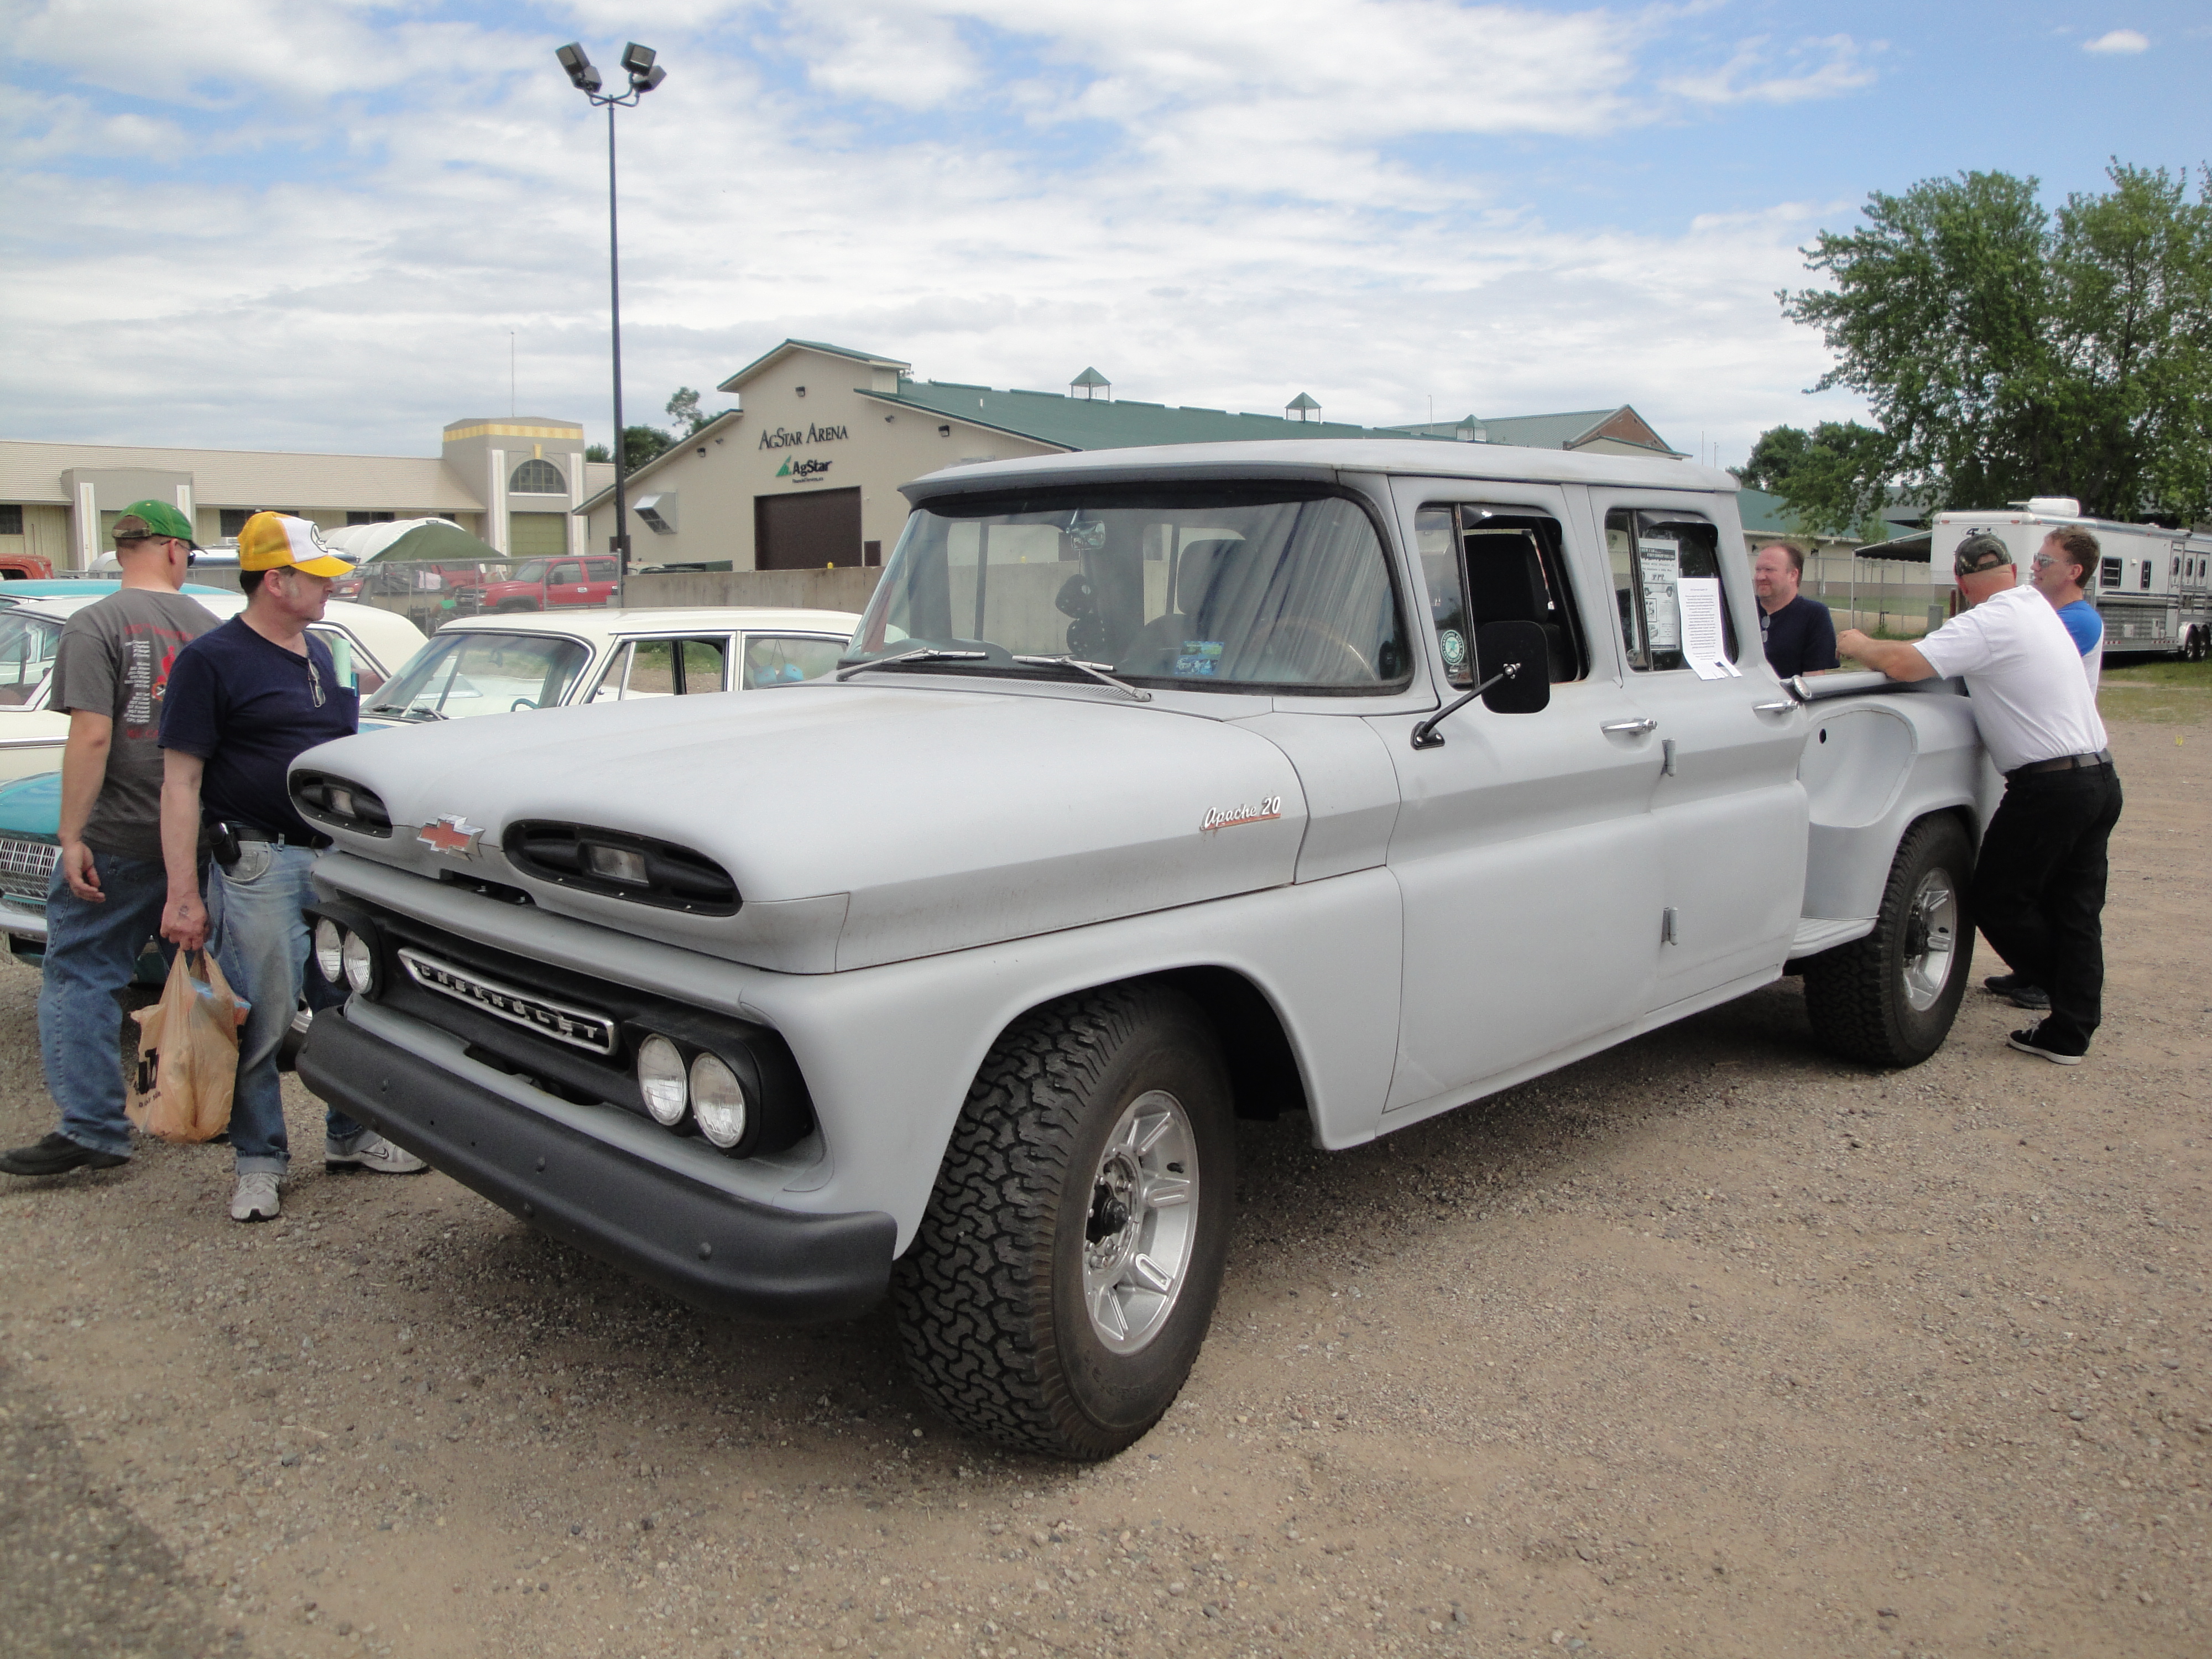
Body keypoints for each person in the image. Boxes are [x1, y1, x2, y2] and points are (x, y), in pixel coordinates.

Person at [158, 513, 424, 1222]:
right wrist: (184, 892)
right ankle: (259, 1161)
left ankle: (351, 1135)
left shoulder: (329, 653)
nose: (333, 590)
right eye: (319, 578)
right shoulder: (210, 662)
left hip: (335, 861)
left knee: (349, 1005)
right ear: (275, 581)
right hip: (257, 861)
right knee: (262, 1019)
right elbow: (181, 782)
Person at [1839, 533, 2121, 1065]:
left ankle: (2067, 994)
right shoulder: (2035, 607)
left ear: (1962, 582)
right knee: (2076, 908)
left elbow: (1905, 663)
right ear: (2013, 571)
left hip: (2051, 786)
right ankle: (2071, 1029)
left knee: (1997, 897)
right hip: (2099, 775)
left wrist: (1856, 644)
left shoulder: (1987, 621)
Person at [0, 503, 217, 1178]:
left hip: (121, 833)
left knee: (80, 975)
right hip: (203, 835)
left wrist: (71, 834)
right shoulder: (213, 632)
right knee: (221, 978)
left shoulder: (94, 624)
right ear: (177, 552)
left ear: (122, 552)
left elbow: (92, 734)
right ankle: (226, 1113)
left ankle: (94, 1128)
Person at [2031, 526, 2104, 691]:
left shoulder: (2080, 621)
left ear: (2073, 572)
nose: (2034, 567)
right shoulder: (2056, 615)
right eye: (2036, 558)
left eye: (2044, 561)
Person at [1751, 544, 1838, 677]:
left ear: (1793, 575)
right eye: (1758, 570)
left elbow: (1814, 679)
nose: (1760, 577)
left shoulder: (1814, 615)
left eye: (1769, 570)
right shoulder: (1740, 612)